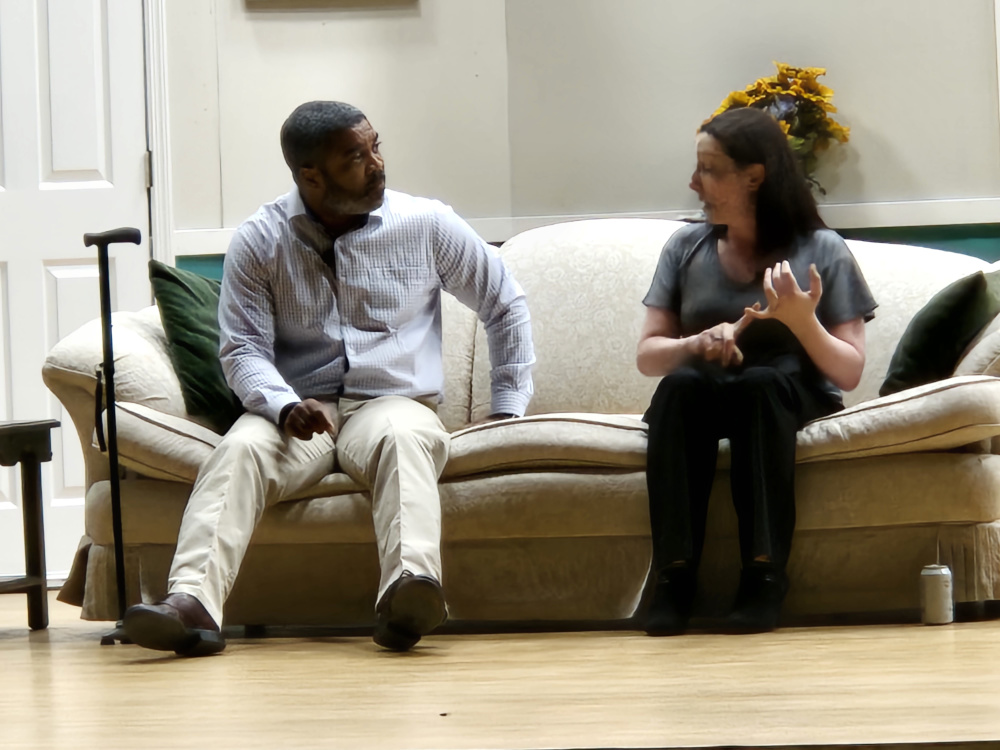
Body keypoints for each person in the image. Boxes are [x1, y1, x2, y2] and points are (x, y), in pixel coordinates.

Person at [123, 101, 535, 655]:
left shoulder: (426, 223)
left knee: (403, 437)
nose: (377, 164)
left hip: (393, 401)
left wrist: (507, 405)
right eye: (355, 157)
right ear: (310, 175)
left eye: (375, 147)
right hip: (299, 410)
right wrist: (280, 404)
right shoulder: (261, 239)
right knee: (241, 448)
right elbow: (243, 348)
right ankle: (192, 604)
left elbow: (504, 303)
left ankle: (408, 593)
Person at [636, 107, 876, 636]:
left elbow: (851, 371)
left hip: (785, 393)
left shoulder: (822, 249)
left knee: (763, 384)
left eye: (709, 170)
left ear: (755, 176)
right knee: (678, 387)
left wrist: (802, 322)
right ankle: (674, 579)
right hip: (706, 387)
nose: (693, 182)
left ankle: (764, 577)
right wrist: (697, 342)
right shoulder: (685, 247)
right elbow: (648, 356)